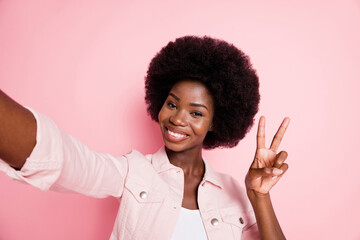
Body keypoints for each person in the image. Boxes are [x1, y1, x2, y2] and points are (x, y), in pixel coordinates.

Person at [0, 36, 290, 239]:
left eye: (196, 113)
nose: (177, 118)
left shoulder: (233, 194)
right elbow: (67, 161)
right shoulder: (134, 172)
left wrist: (259, 196)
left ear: (216, 122)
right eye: (173, 104)